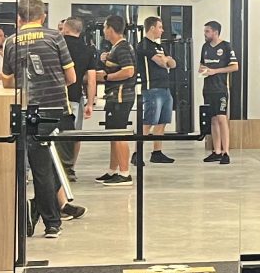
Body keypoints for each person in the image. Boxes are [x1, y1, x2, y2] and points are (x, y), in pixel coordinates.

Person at [4, 0, 75, 239]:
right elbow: (71, 77)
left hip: (25, 108)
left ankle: (33, 211)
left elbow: (8, 81)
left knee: (31, 164)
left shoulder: (11, 41)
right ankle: (51, 222)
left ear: (19, 18)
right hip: (53, 108)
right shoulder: (55, 37)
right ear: (43, 17)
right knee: (43, 166)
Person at [91, 13, 137, 183]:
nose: (103, 31)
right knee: (113, 134)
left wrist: (106, 77)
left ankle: (124, 173)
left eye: (104, 27)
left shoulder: (123, 48)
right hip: (113, 96)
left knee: (119, 134)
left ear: (110, 29)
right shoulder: (115, 48)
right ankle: (113, 170)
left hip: (121, 97)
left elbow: (128, 71)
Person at [56, 16, 95, 180]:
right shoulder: (88, 50)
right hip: (75, 96)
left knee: (53, 133)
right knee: (74, 134)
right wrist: (90, 103)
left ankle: (55, 167)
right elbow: (91, 79)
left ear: (66, 29)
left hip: (55, 96)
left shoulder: (57, 45)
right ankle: (70, 168)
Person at [198, 20, 239, 166]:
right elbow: (202, 65)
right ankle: (216, 151)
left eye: (207, 31)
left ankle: (226, 152)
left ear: (215, 32)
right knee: (213, 120)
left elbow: (235, 67)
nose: (205, 34)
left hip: (220, 88)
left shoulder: (226, 46)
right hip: (207, 89)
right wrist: (202, 70)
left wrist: (215, 71)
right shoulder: (205, 47)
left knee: (222, 118)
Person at [138, 15, 178, 165]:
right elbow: (162, 62)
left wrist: (166, 60)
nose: (162, 30)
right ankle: (137, 153)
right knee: (149, 121)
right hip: (152, 88)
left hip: (165, 88)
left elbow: (173, 64)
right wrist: (165, 60)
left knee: (162, 121)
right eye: (160, 27)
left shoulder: (159, 47)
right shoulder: (144, 45)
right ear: (152, 28)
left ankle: (157, 152)